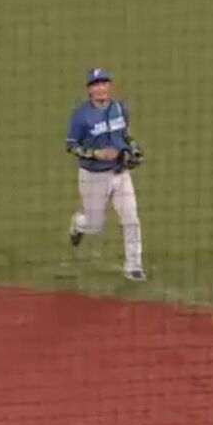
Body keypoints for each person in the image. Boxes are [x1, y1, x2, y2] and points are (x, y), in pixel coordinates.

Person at [64, 68, 146, 281]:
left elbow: (125, 134)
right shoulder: (81, 115)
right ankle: (78, 224)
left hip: (120, 173)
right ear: (90, 90)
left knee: (131, 219)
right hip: (93, 177)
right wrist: (96, 153)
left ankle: (134, 265)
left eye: (104, 83)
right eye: (96, 85)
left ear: (109, 86)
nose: (101, 88)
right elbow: (71, 145)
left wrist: (134, 148)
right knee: (94, 225)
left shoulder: (119, 107)